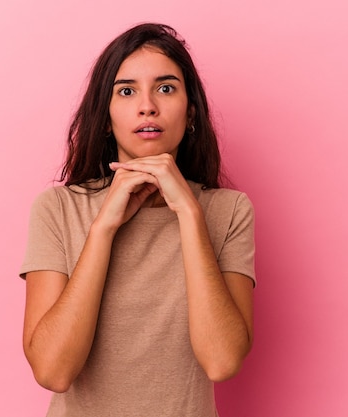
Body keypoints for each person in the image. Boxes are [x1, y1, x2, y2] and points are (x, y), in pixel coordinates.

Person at [19, 23, 256, 417]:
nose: (148, 106)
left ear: (191, 111)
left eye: (166, 88)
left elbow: (222, 361)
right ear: (106, 116)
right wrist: (103, 228)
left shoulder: (228, 211)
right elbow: (53, 371)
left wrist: (189, 214)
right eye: (126, 91)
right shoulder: (57, 209)